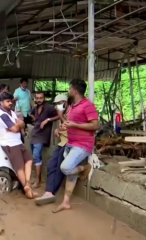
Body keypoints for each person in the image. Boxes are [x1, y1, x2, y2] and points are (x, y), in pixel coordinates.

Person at [53, 79, 99, 213]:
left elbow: (95, 125)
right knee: (70, 176)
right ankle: (66, 202)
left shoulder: (88, 106)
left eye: (69, 88)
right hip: (71, 143)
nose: (68, 90)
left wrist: (75, 125)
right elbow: (70, 123)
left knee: (65, 168)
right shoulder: (73, 106)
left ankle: (85, 168)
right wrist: (61, 128)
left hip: (83, 145)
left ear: (75, 90)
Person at [0, 92, 38, 199]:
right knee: (19, 167)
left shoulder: (11, 113)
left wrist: (19, 125)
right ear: (1, 103)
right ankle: (27, 189)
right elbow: (14, 128)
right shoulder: (1, 115)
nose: (10, 103)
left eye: (11, 101)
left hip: (17, 142)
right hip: (9, 144)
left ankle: (27, 184)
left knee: (29, 160)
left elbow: (19, 124)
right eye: (7, 101)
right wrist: (20, 124)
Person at [34, 94, 71, 205]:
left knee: (60, 169)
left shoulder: (70, 113)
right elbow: (63, 127)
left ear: (65, 102)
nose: (57, 107)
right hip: (62, 143)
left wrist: (60, 117)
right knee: (51, 165)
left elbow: (70, 127)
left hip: (69, 144)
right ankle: (49, 192)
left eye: (59, 104)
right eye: (56, 105)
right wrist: (58, 130)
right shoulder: (64, 113)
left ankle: (50, 193)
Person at [29, 91, 59, 189]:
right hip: (34, 134)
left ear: (44, 98)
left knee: (36, 156)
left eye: (41, 98)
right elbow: (31, 113)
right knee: (37, 158)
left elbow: (58, 115)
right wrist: (35, 119)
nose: (39, 100)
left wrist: (47, 120)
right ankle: (39, 179)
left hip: (42, 136)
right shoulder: (35, 108)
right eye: (37, 98)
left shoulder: (49, 108)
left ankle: (37, 181)